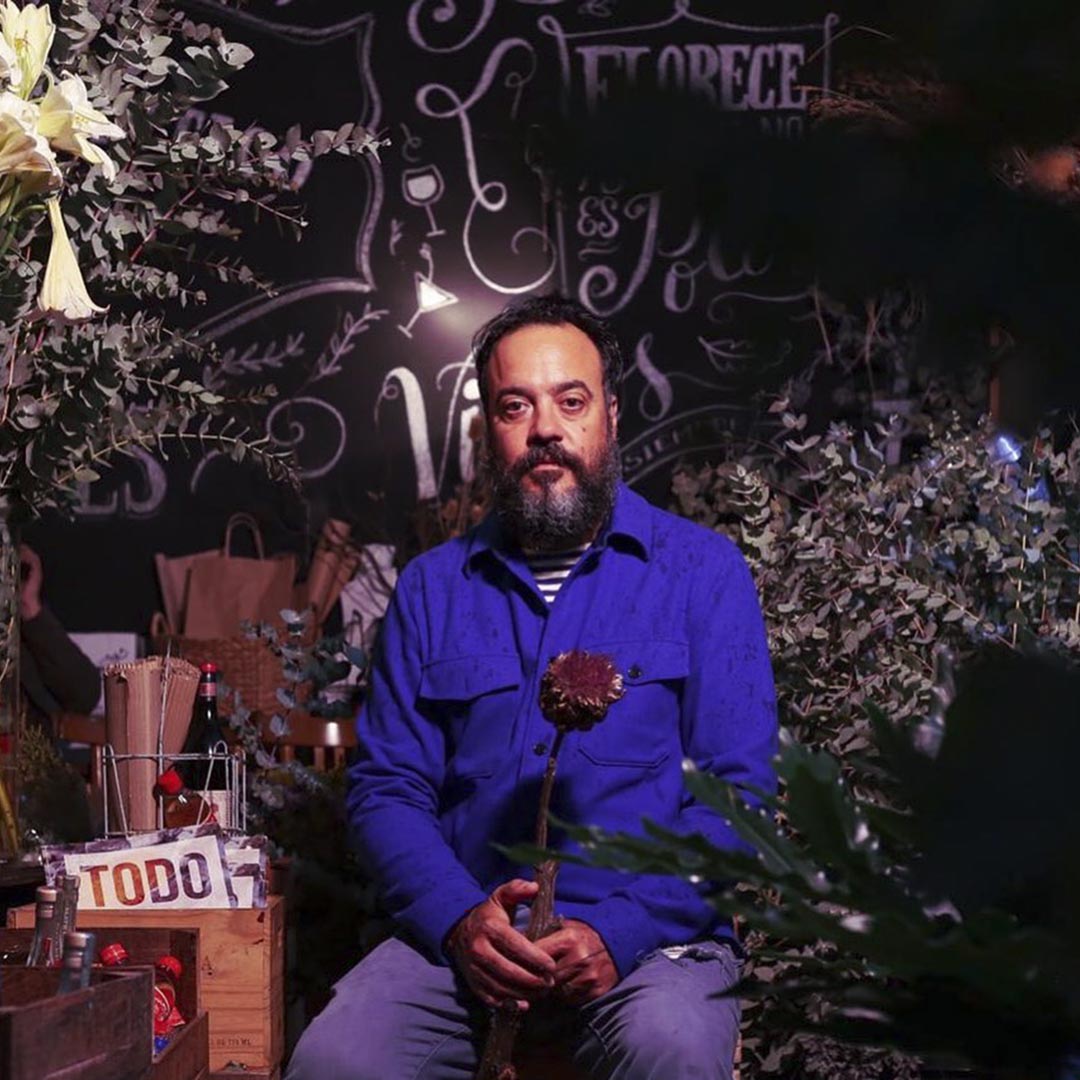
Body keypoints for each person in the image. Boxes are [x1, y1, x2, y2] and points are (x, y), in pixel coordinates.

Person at [287, 295, 777, 1079]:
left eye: (570, 401)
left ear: (610, 414)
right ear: (489, 430)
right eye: (516, 406)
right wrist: (458, 919)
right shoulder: (431, 589)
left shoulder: (702, 573)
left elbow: (739, 797)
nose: (545, 427)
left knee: (673, 1048)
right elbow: (386, 790)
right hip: (466, 948)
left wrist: (621, 931)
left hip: (654, 946)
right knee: (334, 1061)